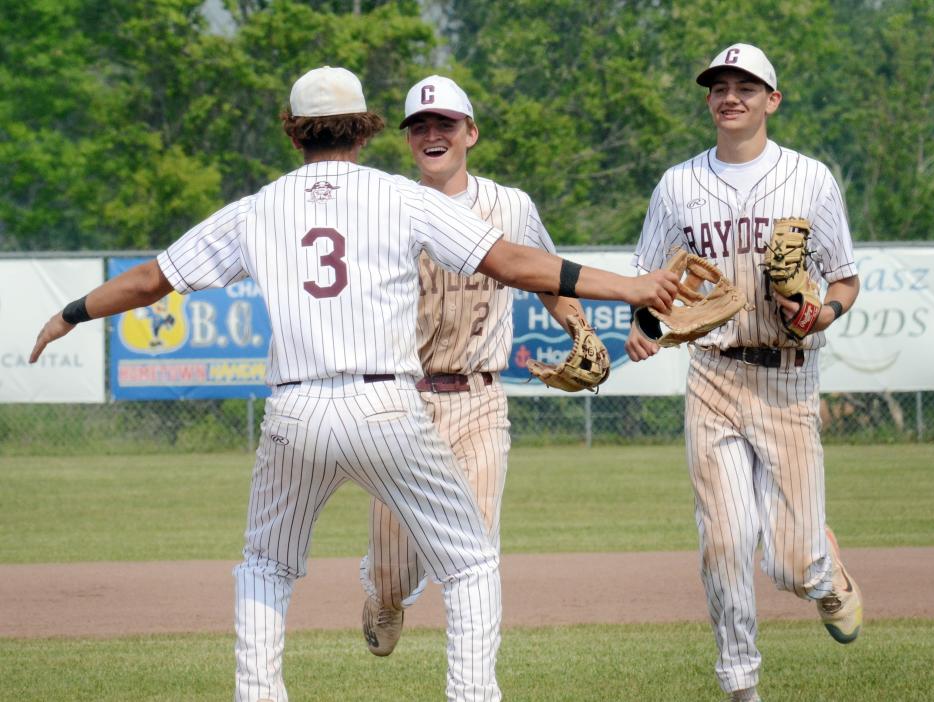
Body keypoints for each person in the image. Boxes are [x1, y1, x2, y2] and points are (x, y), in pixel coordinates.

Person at [31, 66, 679, 702]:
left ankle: (258, 693)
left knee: (265, 565)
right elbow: (511, 261)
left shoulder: (259, 209)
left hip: (297, 409)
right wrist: (628, 285)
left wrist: (69, 313)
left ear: (293, 133)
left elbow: (152, 279)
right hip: (388, 405)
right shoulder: (400, 197)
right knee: (471, 562)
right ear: (367, 131)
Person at [626, 44, 863, 702]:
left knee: (788, 563)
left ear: (772, 100)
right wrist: (644, 326)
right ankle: (740, 686)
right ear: (708, 100)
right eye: (719, 86)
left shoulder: (810, 179)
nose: (731, 95)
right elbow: (655, 280)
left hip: (788, 379)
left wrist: (822, 313)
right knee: (724, 541)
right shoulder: (678, 185)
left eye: (746, 86)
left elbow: (844, 280)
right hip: (714, 377)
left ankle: (822, 568)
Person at [358, 75, 594, 656]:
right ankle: (385, 595)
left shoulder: (510, 206)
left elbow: (546, 275)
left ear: (471, 133)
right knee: (395, 570)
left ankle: (473, 684)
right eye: (420, 126)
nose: (432, 134)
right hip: (401, 402)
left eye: (445, 124)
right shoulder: (385, 207)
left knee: (476, 548)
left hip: (480, 398)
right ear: (409, 140)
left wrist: (581, 328)